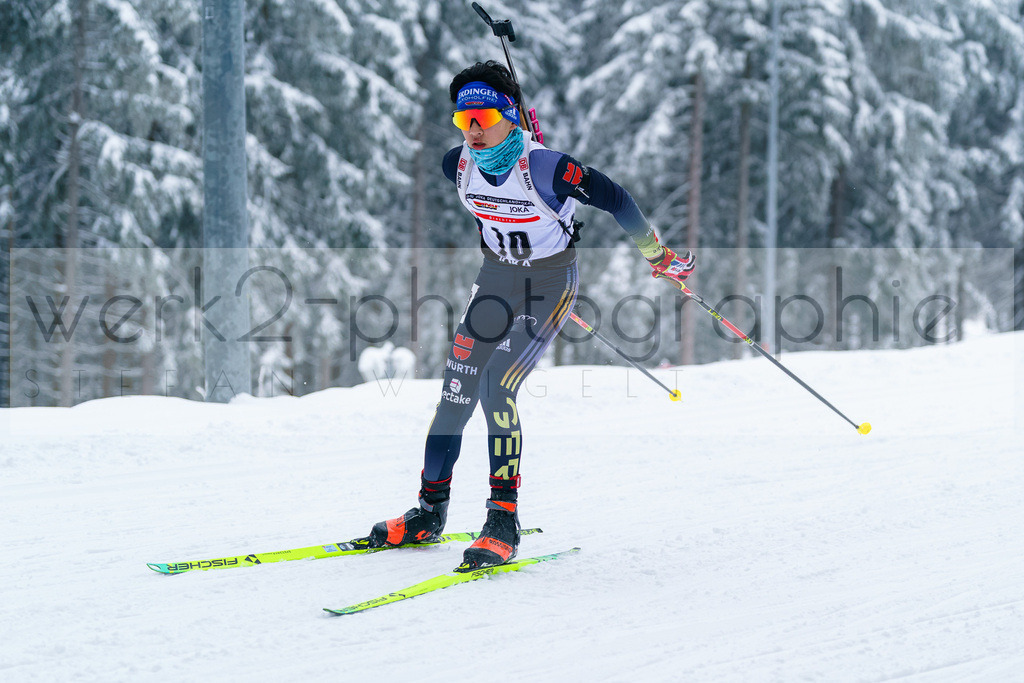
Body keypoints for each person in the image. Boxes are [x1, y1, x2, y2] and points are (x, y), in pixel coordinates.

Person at [365, 60, 695, 570]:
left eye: (484, 119)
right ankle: (430, 512)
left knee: (498, 383)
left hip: (549, 284)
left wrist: (656, 254)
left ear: (510, 115)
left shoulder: (549, 168)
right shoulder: (456, 163)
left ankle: (502, 519)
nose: (473, 131)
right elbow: (489, 214)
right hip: (497, 280)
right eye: (463, 119)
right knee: (455, 391)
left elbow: (617, 199)